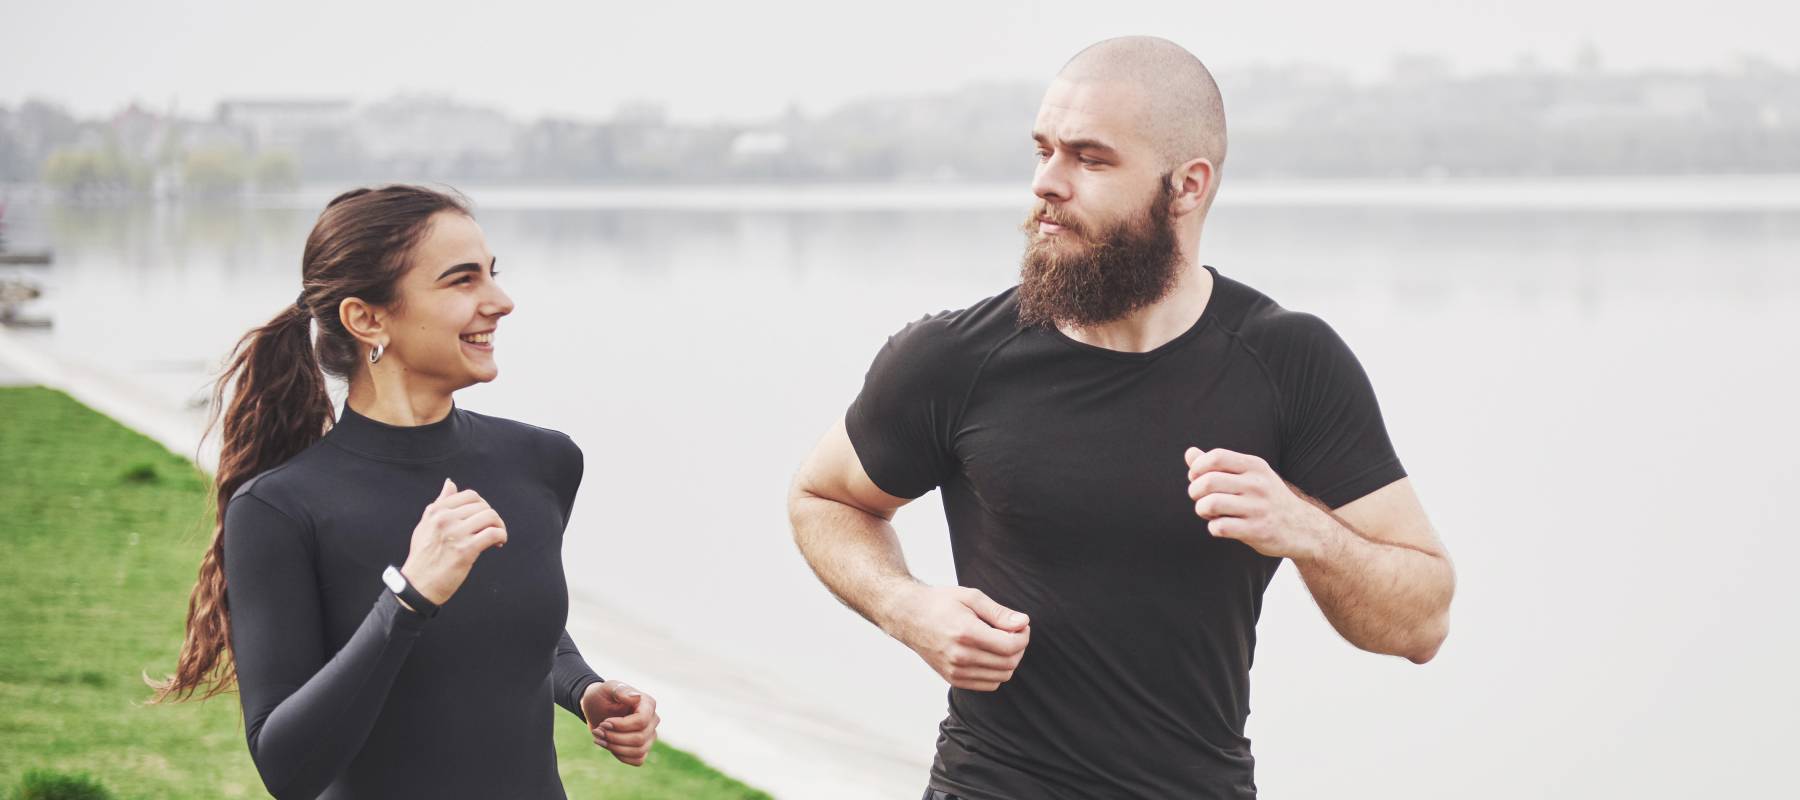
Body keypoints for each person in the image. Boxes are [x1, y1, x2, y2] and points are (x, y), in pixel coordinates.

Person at [787, 37, 1455, 799]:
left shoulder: (1288, 361)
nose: (1047, 183)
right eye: (1043, 151)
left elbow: (1420, 624)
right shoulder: (955, 358)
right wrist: (906, 607)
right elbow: (824, 497)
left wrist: (1304, 531)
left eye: (1089, 159)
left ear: (1187, 185)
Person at [152, 185, 659, 798]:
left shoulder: (543, 462)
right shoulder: (278, 509)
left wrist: (583, 689)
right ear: (367, 318)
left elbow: (514, 619)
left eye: (491, 274)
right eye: (461, 280)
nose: (501, 302)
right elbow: (288, 770)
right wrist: (410, 597)